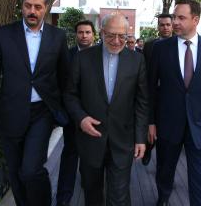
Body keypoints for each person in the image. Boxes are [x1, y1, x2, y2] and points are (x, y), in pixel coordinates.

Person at [0, 0, 69, 206]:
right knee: (15, 174)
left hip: (42, 113)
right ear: (21, 6)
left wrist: (67, 112)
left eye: (38, 7)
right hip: (10, 114)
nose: (32, 11)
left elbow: (65, 78)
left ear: (46, 8)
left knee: (31, 171)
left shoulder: (58, 37)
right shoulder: (3, 35)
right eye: (28, 6)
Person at [148, 0, 201, 206]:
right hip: (168, 123)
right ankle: (163, 198)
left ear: (195, 20)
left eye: (181, 18)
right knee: (164, 171)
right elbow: (150, 89)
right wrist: (150, 122)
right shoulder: (160, 49)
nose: (175, 22)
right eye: (174, 17)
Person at [64, 13, 149, 206]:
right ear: (101, 33)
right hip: (90, 140)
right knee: (92, 194)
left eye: (122, 36)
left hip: (123, 140)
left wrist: (140, 138)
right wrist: (81, 118)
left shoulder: (137, 61)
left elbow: (142, 101)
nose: (117, 41)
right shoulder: (82, 58)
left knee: (119, 197)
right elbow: (69, 95)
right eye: (111, 35)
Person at [56, 19, 95, 206]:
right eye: (81, 32)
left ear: (94, 34)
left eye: (88, 32)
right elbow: (61, 85)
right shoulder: (66, 56)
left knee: (93, 157)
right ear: (76, 35)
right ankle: (63, 198)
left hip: (96, 117)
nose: (84, 36)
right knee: (70, 154)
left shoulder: (103, 56)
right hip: (72, 116)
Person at [141, 13, 173, 166]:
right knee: (150, 124)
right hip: (152, 92)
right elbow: (145, 69)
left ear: (172, 25)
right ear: (158, 26)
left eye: (168, 24)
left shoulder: (178, 44)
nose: (165, 27)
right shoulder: (149, 45)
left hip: (171, 95)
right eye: (162, 24)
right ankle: (148, 148)